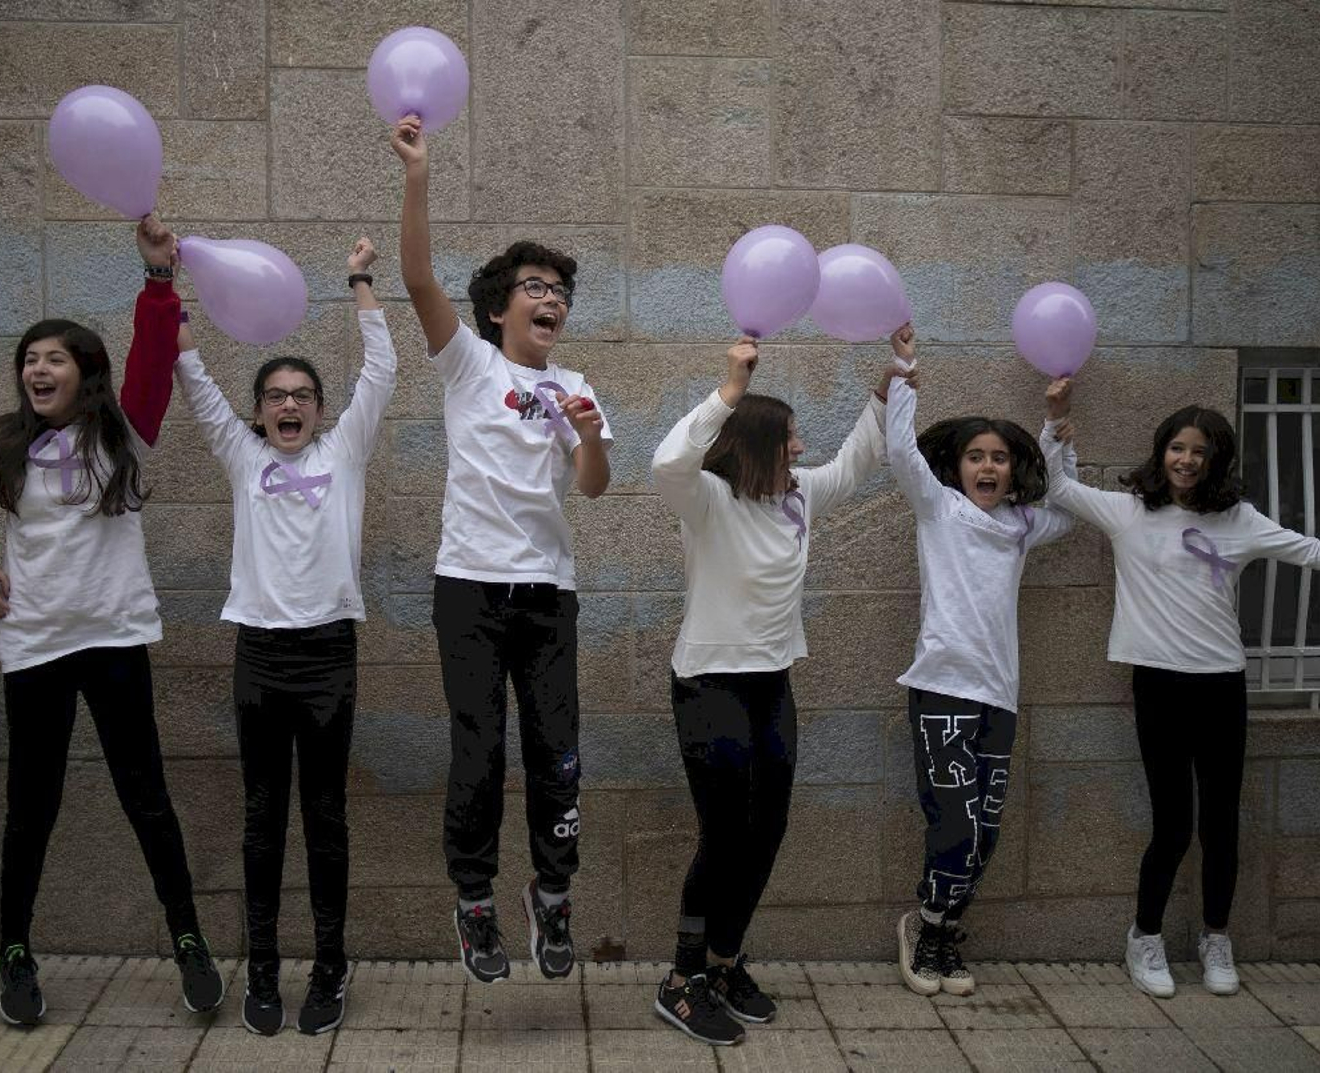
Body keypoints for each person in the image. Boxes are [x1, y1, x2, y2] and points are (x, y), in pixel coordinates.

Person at [0, 218, 223, 1026]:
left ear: (85, 374)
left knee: (148, 797)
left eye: (54, 358)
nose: (37, 368)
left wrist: (158, 279)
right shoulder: (2, 444)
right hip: (34, 647)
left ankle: (188, 939)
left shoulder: (121, 433)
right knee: (32, 804)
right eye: (29, 359)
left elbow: (149, 359)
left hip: (113, 640)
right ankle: (14, 948)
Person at [1039, 378, 1320, 999]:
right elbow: (1060, 488)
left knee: (1221, 824)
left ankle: (1215, 937)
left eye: (1199, 451)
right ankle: (1144, 938)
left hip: (1221, 686)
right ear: (1162, 451)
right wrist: (1055, 421)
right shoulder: (1129, 513)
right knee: (1173, 823)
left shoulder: (1240, 519)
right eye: (1177, 447)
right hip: (1157, 686)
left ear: (1216, 459)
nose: (1187, 460)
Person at [393, 115, 611, 983]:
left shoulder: (575, 385)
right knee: (478, 749)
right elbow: (416, 278)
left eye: (560, 288)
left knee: (558, 747)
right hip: (470, 590)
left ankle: (552, 899)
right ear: (497, 307)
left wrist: (589, 436)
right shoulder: (470, 366)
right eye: (534, 285)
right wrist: (418, 174)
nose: (551, 297)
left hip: (547, 592)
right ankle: (475, 901)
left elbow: (591, 487)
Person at [649, 333, 904, 1045]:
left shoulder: (798, 497)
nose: (800, 449)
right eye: (790, 437)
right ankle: (680, 980)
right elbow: (667, 460)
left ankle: (725, 961)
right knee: (724, 836)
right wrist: (726, 391)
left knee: (767, 830)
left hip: (771, 686)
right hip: (707, 685)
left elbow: (857, 460)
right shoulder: (707, 500)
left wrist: (889, 386)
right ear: (757, 443)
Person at [172, 233, 396, 1033]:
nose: (290, 404)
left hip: (329, 652)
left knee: (325, 817)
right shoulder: (241, 456)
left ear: (321, 410)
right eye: (276, 394)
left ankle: (329, 968)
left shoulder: (346, 451)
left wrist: (360, 279)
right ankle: (262, 968)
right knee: (263, 818)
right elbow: (192, 378)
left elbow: (384, 370)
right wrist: (164, 279)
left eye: (303, 393)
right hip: (260, 654)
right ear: (260, 410)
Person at [884, 325, 1078, 997]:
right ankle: (927, 929)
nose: (989, 466)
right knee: (955, 820)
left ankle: (941, 924)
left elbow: (1068, 509)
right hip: (942, 688)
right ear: (958, 467)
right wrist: (904, 368)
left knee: (986, 830)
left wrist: (1054, 429)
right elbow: (901, 453)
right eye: (976, 456)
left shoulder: (1022, 525)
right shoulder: (939, 510)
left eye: (999, 456)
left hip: (1000, 696)